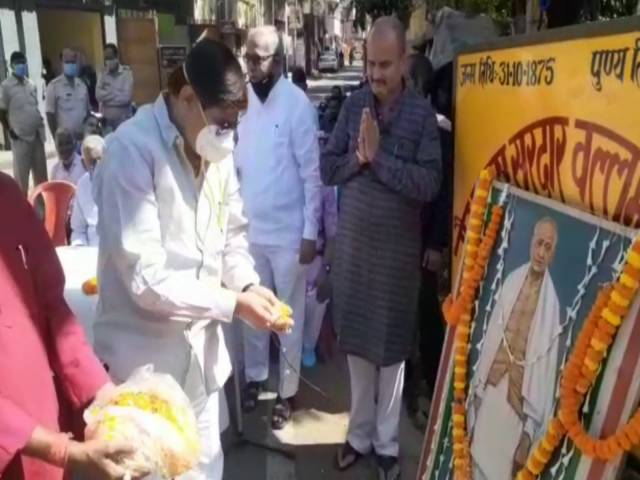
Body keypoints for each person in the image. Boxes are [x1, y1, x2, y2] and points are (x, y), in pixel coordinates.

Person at [93, 38, 281, 480]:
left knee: (206, 466)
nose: (228, 135)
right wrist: (233, 304)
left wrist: (249, 286)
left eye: (235, 125)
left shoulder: (216, 150)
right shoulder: (131, 152)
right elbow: (146, 280)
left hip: (201, 362)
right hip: (146, 371)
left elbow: (233, 234)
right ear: (187, 98)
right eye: (222, 122)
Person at [320, 17, 441, 480]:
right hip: (354, 254)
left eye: (385, 65)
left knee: (391, 356)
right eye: (370, 63)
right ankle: (359, 436)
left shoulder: (421, 116)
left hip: (395, 260)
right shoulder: (352, 108)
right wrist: (358, 157)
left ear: (405, 62)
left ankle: (387, 446)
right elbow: (329, 168)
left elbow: (429, 183)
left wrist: (380, 160)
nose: (375, 73)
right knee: (357, 352)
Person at [0, 172, 143, 480]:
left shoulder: (7, 196)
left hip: (46, 425)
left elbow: (53, 307)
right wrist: (61, 450)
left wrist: (101, 391)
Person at [235, 26, 323, 430]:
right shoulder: (241, 102)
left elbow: (311, 175)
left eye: (261, 58)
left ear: (279, 60)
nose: (252, 66)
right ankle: (255, 377)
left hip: (289, 237)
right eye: (249, 57)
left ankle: (288, 391)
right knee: (253, 315)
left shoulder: (297, 105)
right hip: (250, 232)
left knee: (287, 318)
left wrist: (310, 233)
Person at [468, 218, 561, 480]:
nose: (541, 252)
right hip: (493, 389)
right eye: (539, 243)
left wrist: (529, 431)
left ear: (553, 254)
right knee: (475, 462)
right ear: (531, 242)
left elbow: (543, 373)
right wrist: (478, 391)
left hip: (517, 406)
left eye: (548, 247)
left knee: (500, 473)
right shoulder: (511, 281)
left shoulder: (551, 307)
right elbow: (491, 342)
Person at [0, 51, 48, 194]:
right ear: (11, 65)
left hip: (36, 136)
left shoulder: (31, 84)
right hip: (20, 138)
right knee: (21, 180)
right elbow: (1, 111)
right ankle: (21, 212)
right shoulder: (6, 86)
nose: (21, 65)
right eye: (18, 63)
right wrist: (10, 130)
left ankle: (41, 212)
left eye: (23, 62)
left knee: (41, 179)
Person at [302, 186, 338, 367]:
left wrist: (326, 269)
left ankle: (309, 345)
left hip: (316, 257)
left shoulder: (325, 187)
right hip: (280, 256)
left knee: (318, 292)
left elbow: (333, 236)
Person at [45, 48, 90, 139]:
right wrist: (55, 137)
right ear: (62, 63)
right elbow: (50, 114)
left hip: (82, 137)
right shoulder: (54, 86)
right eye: (68, 62)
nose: (71, 65)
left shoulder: (82, 85)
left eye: (73, 62)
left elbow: (87, 111)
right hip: (65, 140)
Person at [70, 135, 104, 247]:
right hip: (91, 254)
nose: (97, 166)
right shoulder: (82, 184)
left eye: (100, 159)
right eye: (93, 162)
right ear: (84, 163)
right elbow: (78, 230)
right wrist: (80, 247)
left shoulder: (121, 180)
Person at [96, 43, 134, 131]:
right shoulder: (102, 73)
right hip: (107, 122)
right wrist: (116, 93)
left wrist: (107, 96)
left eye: (110, 57)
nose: (108, 61)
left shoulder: (127, 73)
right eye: (106, 58)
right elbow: (98, 95)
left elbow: (126, 98)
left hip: (124, 121)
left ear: (117, 56)